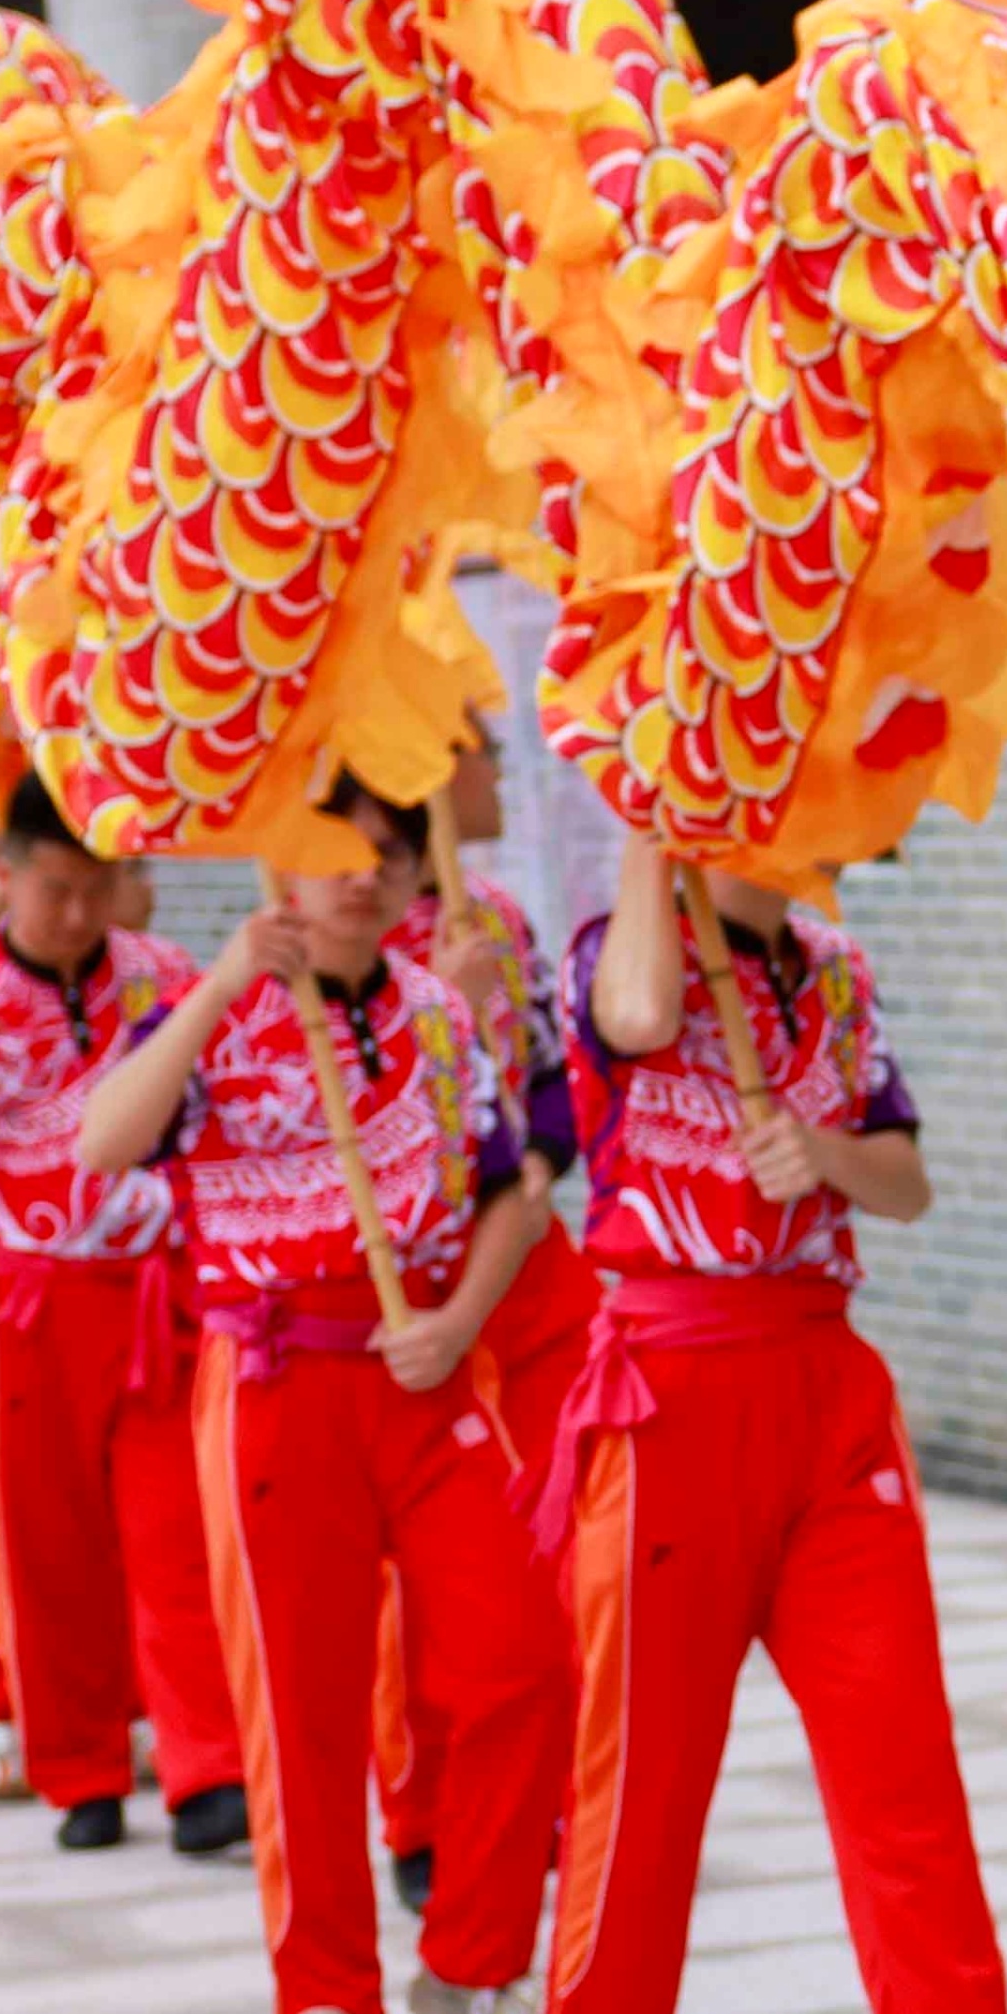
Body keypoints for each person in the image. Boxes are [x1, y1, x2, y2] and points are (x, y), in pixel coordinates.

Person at [541, 815, 1007, 2014]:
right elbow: (640, 1014)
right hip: (671, 1388)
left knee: (899, 1752)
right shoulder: (622, 947)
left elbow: (905, 1181)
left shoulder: (836, 972)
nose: (815, 853)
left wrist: (821, 1158)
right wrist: (651, 827)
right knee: (648, 1754)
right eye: (775, 820)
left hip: (827, 1390)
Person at [80, 792, 567, 2014]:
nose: (360, 881)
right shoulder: (211, 1004)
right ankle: (323, 1995)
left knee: (524, 1650)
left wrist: (461, 1315)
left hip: (424, 1366)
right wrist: (229, 976)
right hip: (278, 1376)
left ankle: (473, 1955)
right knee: (302, 1700)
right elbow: (102, 1141)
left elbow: (511, 1188)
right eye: (334, 854)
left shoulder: (439, 1009)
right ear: (282, 861)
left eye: (385, 856)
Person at [0, 787, 239, 1854]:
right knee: (47, 1544)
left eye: (96, 890)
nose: (76, 913)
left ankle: (206, 1767)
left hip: (157, 1291)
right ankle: (77, 1763)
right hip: (26, 1303)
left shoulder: (164, 979)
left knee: (178, 1535)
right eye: (52, 890)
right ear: (2, 876)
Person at [370, 744, 588, 1928]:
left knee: (549, 1551)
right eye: (475, 749)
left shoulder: (496, 918)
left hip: (533, 1282)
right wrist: (448, 1009)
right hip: (409, 1297)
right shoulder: (335, 956)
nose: (497, 768)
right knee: (421, 1581)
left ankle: (536, 1796)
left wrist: (540, 1171)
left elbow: (553, 1087)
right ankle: (421, 1802)